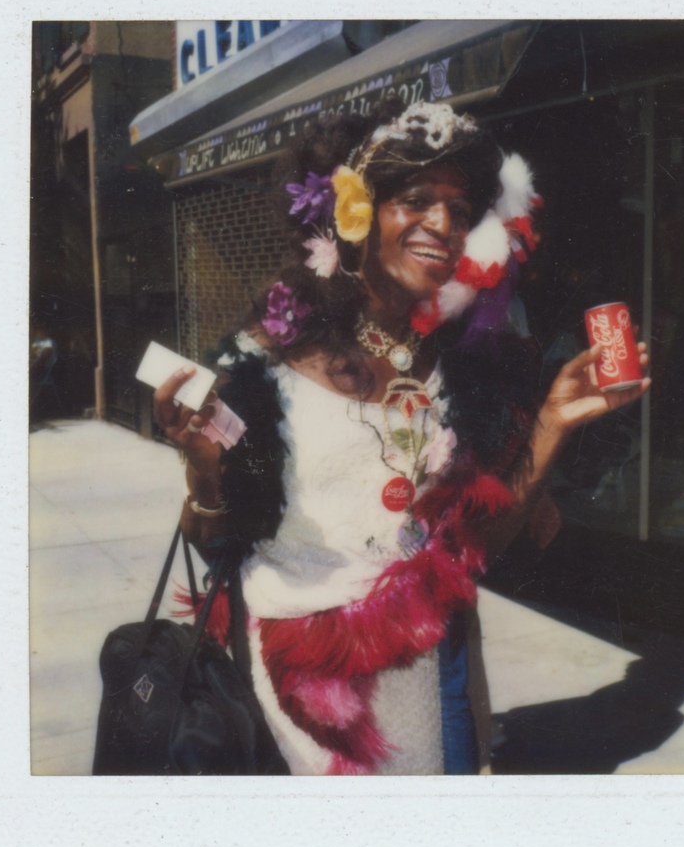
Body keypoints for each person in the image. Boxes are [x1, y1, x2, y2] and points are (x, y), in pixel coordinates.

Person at [153, 100, 650, 775]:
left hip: (427, 679)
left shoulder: (465, 368)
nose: (443, 225)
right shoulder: (260, 363)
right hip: (297, 694)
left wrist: (552, 424)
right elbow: (213, 544)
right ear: (355, 213)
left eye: (461, 208)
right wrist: (205, 473)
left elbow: (474, 553)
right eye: (415, 199)